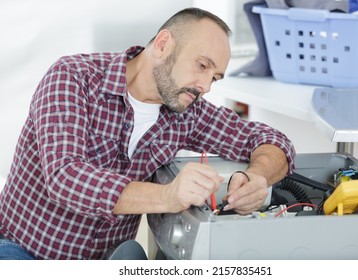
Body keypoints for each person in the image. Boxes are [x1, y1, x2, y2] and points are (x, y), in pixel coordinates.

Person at [0, 7, 295, 260]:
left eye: (214, 77)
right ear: (163, 44)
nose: (205, 85)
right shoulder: (72, 77)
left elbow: (274, 141)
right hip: (23, 250)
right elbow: (65, 177)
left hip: (112, 259)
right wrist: (168, 195)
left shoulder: (188, 111)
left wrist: (258, 177)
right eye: (202, 65)